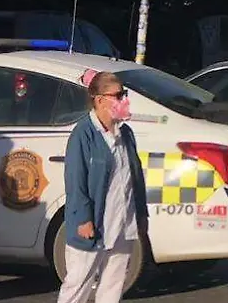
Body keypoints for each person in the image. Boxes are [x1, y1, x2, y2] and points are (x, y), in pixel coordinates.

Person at [57, 71, 148, 303]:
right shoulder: (83, 134)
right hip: (94, 224)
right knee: (79, 283)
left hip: (122, 221)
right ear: (99, 100)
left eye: (124, 94)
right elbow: (75, 180)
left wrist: (141, 215)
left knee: (113, 285)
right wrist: (83, 218)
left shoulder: (125, 133)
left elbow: (134, 176)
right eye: (118, 95)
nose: (123, 100)